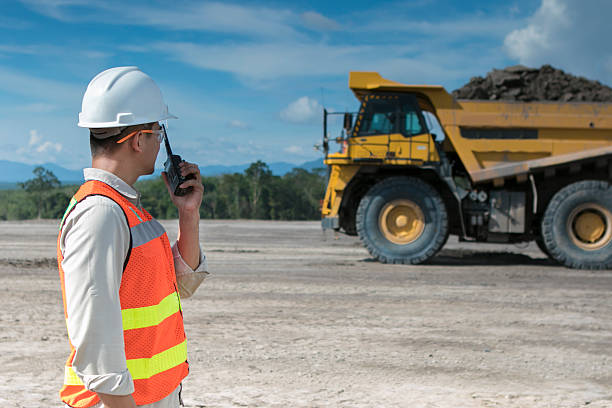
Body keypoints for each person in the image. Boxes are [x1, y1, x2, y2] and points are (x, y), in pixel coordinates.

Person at [57, 66, 208, 408]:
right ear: (139, 140)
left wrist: (189, 214)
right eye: (158, 132)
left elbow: (180, 284)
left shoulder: (127, 210)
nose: (160, 142)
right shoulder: (100, 214)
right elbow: (95, 336)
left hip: (151, 396)